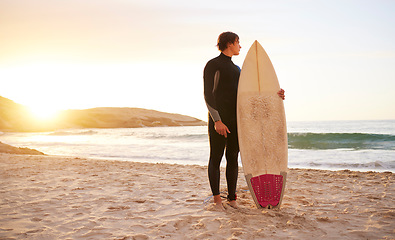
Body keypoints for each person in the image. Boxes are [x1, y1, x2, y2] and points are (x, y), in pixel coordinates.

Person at [203, 32, 285, 210]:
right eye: (238, 42)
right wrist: (217, 120)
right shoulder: (213, 65)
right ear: (230, 43)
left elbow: (250, 96)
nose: (240, 46)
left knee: (233, 158)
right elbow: (208, 94)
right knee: (216, 158)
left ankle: (232, 199)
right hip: (219, 121)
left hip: (237, 121)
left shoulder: (238, 70)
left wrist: (275, 95)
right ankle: (217, 200)